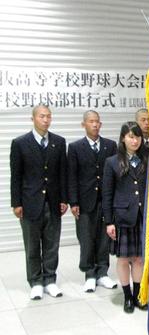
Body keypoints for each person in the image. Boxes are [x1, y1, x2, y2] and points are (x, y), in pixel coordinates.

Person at [10, 104, 68, 300]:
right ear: (33, 118)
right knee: (32, 245)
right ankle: (35, 281)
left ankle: (50, 279)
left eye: (49, 116)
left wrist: (64, 199)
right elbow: (16, 176)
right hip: (29, 203)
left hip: (52, 202)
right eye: (42, 116)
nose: (46, 120)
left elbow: (62, 174)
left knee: (52, 244)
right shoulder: (20, 143)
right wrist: (16, 203)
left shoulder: (59, 143)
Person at [67, 110, 118, 292]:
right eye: (91, 121)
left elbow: (115, 175)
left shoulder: (110, 146)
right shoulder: (75, 148)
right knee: (86, 238)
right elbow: (71, 176)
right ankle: (89, 273)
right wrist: (73, 202)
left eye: (97, 122)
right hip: (84, 201)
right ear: (84, 125)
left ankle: (103, 273)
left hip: (105, 201)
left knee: (104, 238)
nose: (95, 124)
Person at [102, 122, 148, 313]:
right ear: (122, 138)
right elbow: (107, 193)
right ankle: (127, 296)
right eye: (130, 136)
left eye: (137, 136)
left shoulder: (148, 158)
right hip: (122, 216)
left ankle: (138, 294)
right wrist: (109, 222)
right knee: (122, 259)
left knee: (138, 258)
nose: (134, 140)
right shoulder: (112, 161)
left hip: (142, 215)